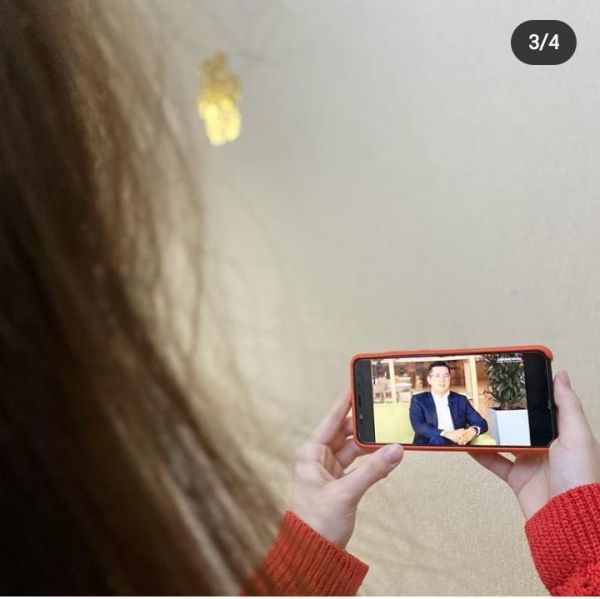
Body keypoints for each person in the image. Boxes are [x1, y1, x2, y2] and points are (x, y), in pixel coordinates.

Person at [409, 361, 488, 445]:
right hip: (429, 446)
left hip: (456, 444)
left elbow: (481, 422)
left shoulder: (461, 400)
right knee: (437, 439)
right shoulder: (419, 400)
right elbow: (419, 426)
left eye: (446, 376)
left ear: (450, 378)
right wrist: (447, 434)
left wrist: (472, 431)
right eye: (437, 376)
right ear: (429, 380)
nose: (442, 380)